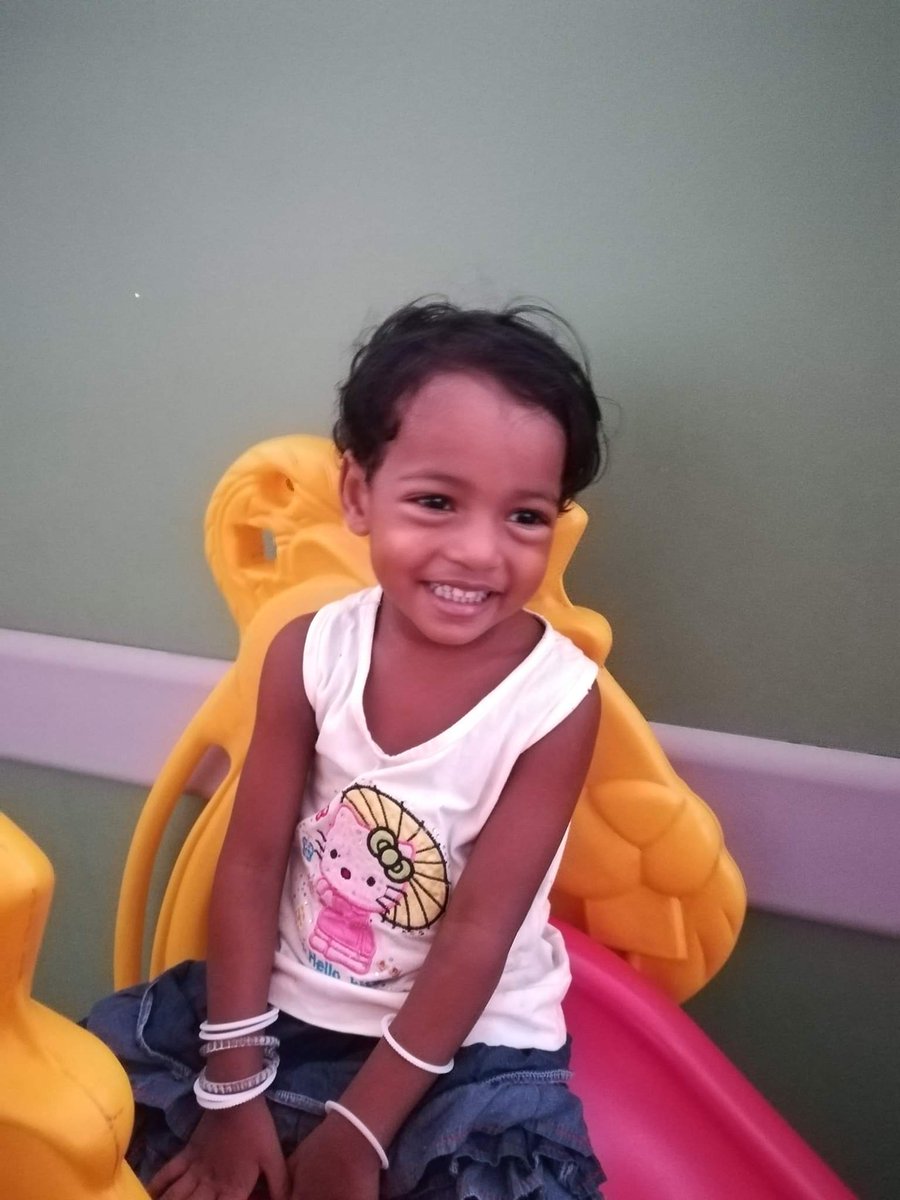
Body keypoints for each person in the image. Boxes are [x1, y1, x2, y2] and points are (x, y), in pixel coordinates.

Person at [87, 299, 609, 1200]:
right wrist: (232, 1082)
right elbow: (251, 864)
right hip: (281, 1013)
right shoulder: (310, 651)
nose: (479, 551)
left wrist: (360, 1132)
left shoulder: (557, 702)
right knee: (93, 1119)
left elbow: (478, 934)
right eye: (437, 502)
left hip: (469, 1050)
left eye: (525, 516)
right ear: (360, 495)